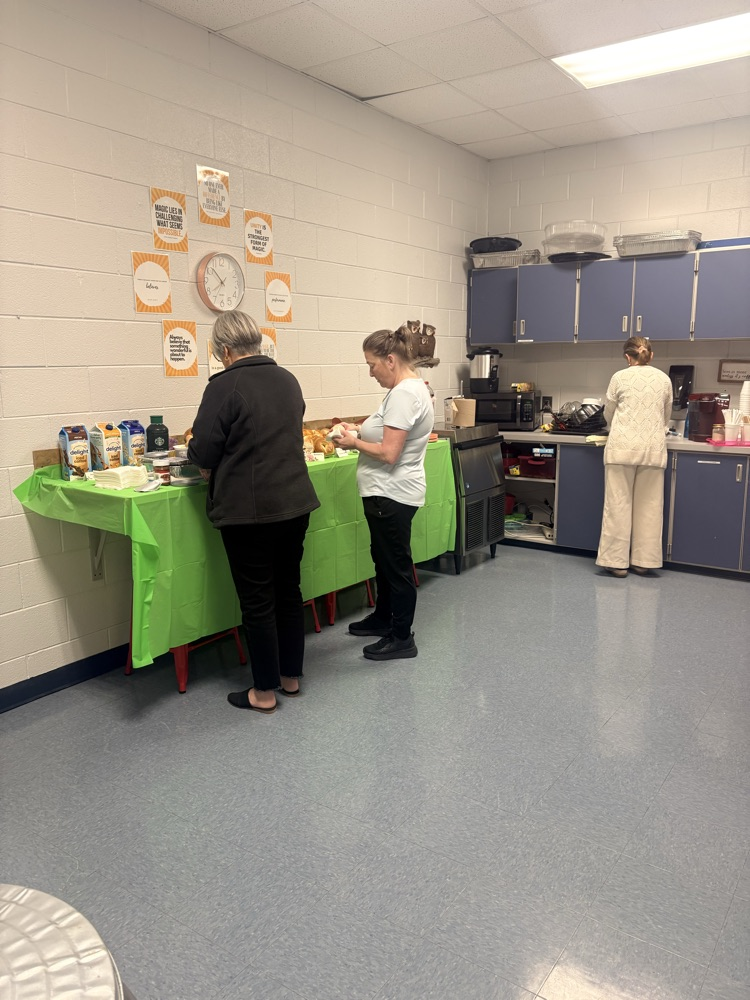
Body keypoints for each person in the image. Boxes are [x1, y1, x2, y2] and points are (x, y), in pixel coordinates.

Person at [187, 311, 320, 712]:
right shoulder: (288, 379)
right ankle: (290, 677)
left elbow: (205, 449)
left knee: (258, 600)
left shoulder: (224, 386)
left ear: (225, 351)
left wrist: (199, 455)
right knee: (288, 591)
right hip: (295, 503)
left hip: (250, 512)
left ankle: (262, 692)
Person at [334, 326, 434, 660]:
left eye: (372, 364)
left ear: (390, 360)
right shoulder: (407, 388)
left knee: (396, 566)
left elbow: (389, 454)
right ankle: (383, 617)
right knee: (384, 559)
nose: (370, 372)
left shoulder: (405, 393)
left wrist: (353, 443)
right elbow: (385, 429)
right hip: (387, 492)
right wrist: (358, 429)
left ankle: (402, 636)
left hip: (391, 493)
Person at [596, 336, 672, 577]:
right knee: (650, 507)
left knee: (617, 505)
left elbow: (608, 412)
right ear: (650, 355)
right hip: (652, 449)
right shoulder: (664, 379)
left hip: (621, 449)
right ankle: (644, 561)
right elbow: (666, 416)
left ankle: (616, 562)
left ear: (628, 357)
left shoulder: (619, 377)